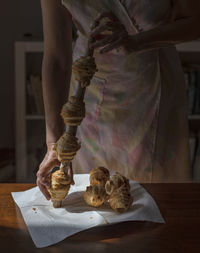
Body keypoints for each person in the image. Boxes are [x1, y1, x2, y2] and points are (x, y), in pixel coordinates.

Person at [37, 0, 200, 200]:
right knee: (93, 198)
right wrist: (53, 142)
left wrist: (138, 42)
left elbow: (194, 22)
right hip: (89, 92)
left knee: (155, 203)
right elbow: (57, 58)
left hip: (152, 87)